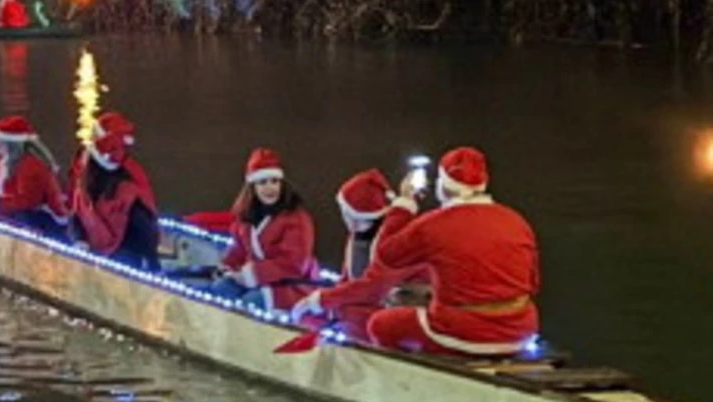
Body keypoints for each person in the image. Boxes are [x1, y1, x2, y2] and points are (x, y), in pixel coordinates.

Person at [365, 147, 540, 357]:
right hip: (521, 331)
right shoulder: (516, 220)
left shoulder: (434, 224)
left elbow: (386, 256)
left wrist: (404, 203)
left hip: (461, 332)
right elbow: (533, 282)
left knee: (380, 325)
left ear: (443, 185)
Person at [291, 168, 424, 337]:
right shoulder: (356, 236)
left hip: (389, 309)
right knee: (316, 316)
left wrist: (323, 299)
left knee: (351, 317)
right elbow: (348, 280)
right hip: (363, 304)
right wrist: (328, 303)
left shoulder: (389, 242)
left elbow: (373, 287)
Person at [207, 149, 319, 312]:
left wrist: (251, 275)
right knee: (221, 288)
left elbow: (294, 264)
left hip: (291, 284)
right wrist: (227, 267)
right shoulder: (246, 218)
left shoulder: (296, 218)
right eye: (263, 182)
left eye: (274, 181)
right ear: (253, 187)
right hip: (258, 280)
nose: (270, 188)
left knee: (251, 302)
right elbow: (239, 250)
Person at [71, 120, 159, 269]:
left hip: (118, 256)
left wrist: (152, 263)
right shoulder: (88, 184)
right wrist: (80, 240)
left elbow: (143, 225)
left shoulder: (124, 189)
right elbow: (78, 215)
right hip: (111, 254)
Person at [0, 116, 69, 236]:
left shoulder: (31, 165)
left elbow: (27, 201)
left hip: (36, 218)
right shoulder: (2, 160)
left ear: (11, 146)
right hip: (10, 212)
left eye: (1, 143)